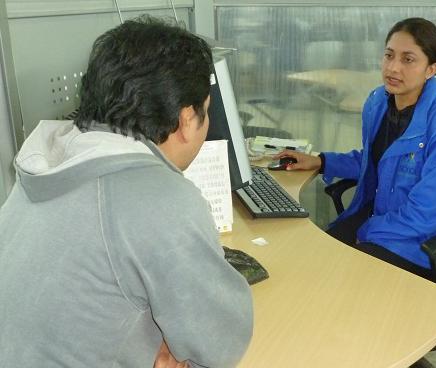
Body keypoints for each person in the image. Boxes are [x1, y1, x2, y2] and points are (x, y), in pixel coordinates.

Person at [0, 16, 253, 368]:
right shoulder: (160, 198)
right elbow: (221, 343)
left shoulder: (45, 166)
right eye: (206, 112)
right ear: (185, 120)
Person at [276, 18, 436, 288]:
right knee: (312, 262)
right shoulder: (379, 103)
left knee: (337, 281)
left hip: (427, 242)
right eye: (389, 55)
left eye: (408, 59)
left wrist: (368, 231)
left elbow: (429, 214)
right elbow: (376, 161)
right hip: (381, 217)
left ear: (432, 69)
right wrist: (322, 161)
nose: (393, 68)